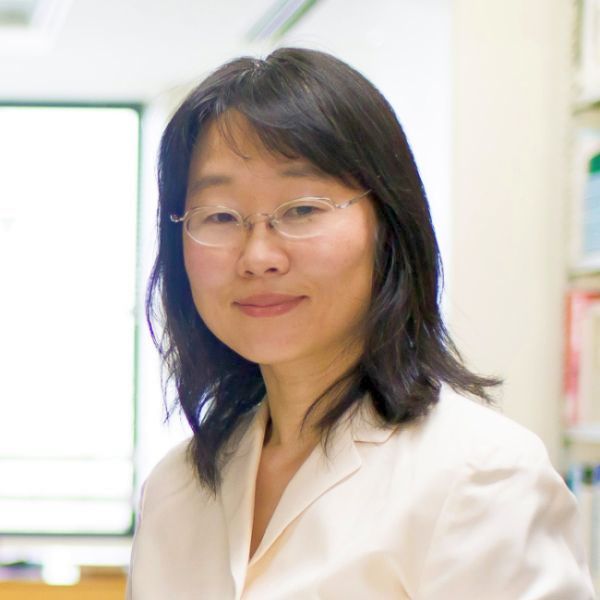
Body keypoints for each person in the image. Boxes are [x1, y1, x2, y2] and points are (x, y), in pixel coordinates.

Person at [126, 47, 594, 599]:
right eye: (221, 216)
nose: (257, 256)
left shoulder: (482, 477)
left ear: (388, 225)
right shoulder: (175, 489)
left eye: (302, 209)